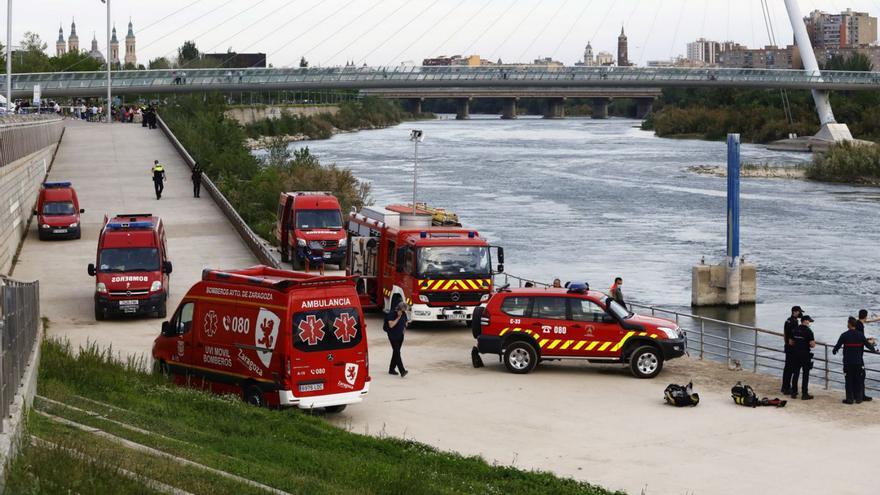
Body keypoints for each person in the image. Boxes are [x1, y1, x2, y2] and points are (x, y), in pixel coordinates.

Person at [833, 317, 877, 404]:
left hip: (848, 362)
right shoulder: (860, 335)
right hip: (858, 362)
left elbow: (836, 347)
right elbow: (868, 345)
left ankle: (849, 399)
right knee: (859, 380)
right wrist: (874, 350)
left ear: (849, 324)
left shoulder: (844, 335)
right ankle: (859, 399)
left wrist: (835, 350)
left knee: (848, 380)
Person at [790, 315, 816, 400]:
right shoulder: (809, 331)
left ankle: (794, 393)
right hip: (805, 354)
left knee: (795, 373)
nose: (809, 323)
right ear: (805, 321)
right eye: (809, 321)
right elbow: (812, 345)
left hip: (795, 354)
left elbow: (790, 342)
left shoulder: (795, 329)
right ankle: (804, 394)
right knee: (805, 374)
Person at [781, 306, 803, 394]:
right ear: (795, 312)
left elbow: (785, 334)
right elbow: (792, 337)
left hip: (787, 346)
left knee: (787, 368)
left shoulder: (788, 320)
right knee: (790, 368)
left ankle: (785, 386)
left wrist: (786, 343)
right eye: (799, 312)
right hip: (791, 348)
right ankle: (786, 388)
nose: (800, 314)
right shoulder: (794, 322)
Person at [384, 302, 409, 377]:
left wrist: (404, 330)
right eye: (403, 310)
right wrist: (398, 317)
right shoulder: (391, 314)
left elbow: (406, 322)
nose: (404, 311)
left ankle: (391, 369)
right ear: (399, 309)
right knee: (397, 353)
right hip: (393, 336)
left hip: (400, 336)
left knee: (396, 352)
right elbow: (391, 325)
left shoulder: (404, 313)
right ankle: (402, 371)